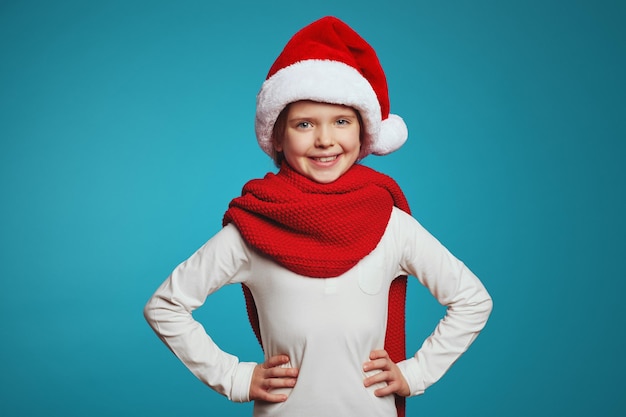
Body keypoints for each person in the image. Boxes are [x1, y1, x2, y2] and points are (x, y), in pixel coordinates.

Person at [144, 16, 492, 417]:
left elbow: (471, 299)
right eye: (304, 124)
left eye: (341, 122)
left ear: (363, 133)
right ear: (277, 135)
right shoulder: (255, 226)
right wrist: (236, 377)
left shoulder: (388, 223)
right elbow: (165, 306)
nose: (325, 139)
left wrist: (415, 374)